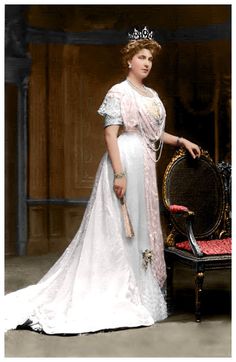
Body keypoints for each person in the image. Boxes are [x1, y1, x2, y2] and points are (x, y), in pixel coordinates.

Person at [4, 27, 201, 335]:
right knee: (120, 227)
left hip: (145, 164)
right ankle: (115, 291)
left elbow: (154, 134)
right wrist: (119, 173)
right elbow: (110, 134)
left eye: (150, 58)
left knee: (141, 227)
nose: (147, 63)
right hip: (123, 161)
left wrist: (181, 140)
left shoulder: (152, 95)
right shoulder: (118, 91)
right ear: (129, 61)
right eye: (141, 57)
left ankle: (138, 292)